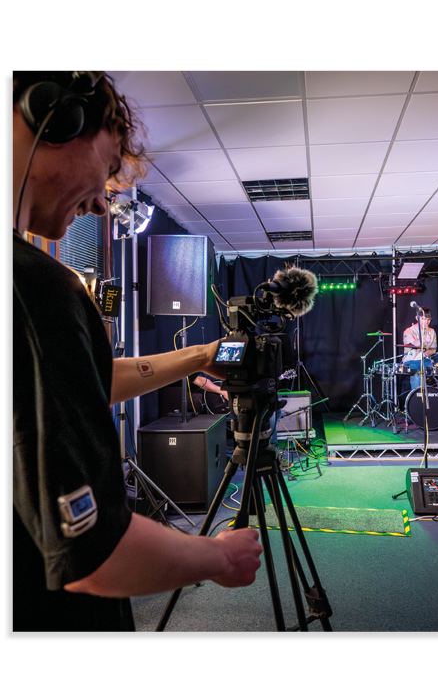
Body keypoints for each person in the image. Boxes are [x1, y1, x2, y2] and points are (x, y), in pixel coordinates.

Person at [9, 70, 263, 632]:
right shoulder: (34, 289)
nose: (102, 203)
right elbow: (95, 555)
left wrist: (199, 357)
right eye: (105, 170)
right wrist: (221, 557)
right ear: (54, 119)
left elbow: (86, 382)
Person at [402, 307, 438, 405]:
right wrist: (423, 340)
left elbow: (433, 349)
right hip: (411, 361)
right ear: (417, 318)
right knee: (418, 372)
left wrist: (424, 353)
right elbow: (412, 344)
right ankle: (417, 405)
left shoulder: (432, 332)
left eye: (428, 319)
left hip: (426, 361)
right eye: (423, 319)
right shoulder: (409, 331)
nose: (426, 322)